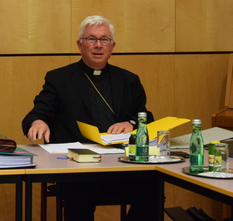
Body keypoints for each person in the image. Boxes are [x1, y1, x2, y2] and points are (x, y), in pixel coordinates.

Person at [22, 15, 156, 221]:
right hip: (78, 167)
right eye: (91, 39)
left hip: (121, 164)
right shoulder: (60, 78)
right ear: (80, 45)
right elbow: (38, 112)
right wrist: (37, 121)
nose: (98, 45)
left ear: (112, 46)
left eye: (104, 40)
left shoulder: (128, 80)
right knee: (80, 195)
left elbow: (144, 116)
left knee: (153, 188)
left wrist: (129, 123)